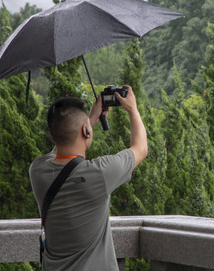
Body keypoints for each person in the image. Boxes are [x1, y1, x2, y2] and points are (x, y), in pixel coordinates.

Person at [29, 85, 147, 270]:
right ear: (86, 131)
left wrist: (89, 121)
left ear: (51, 134)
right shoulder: (99, 174)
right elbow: (141, 148)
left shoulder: (37, 170)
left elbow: (58, 150)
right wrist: (133, 109)